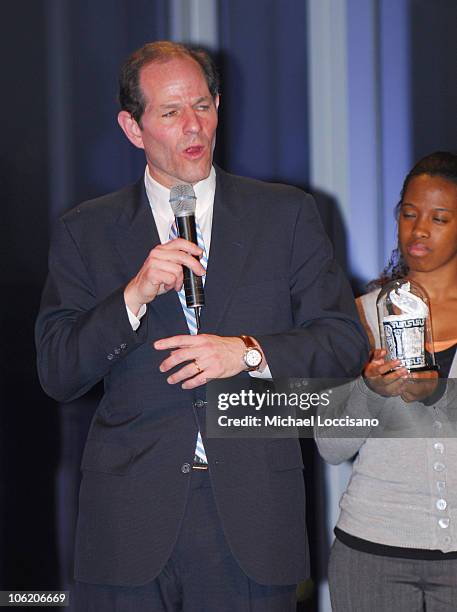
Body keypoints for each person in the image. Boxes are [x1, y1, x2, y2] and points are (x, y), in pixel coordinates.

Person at [35, 41, 367, 611]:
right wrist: (132, 297)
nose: (194, 127)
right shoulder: (86, 231)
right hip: (129, 523)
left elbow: (342, 342)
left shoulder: (285, 214)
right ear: (132, 128)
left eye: (204, 105)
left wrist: (248, 353)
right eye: (170, 113)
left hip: (252, 517)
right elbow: (58, 371)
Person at [316, 151, 457, 611]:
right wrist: (368, 391)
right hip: (372, 551)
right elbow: (330, 445)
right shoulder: (359, 316)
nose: (419, 230)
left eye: (439, 218)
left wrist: (437, 392)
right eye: (409, 214)